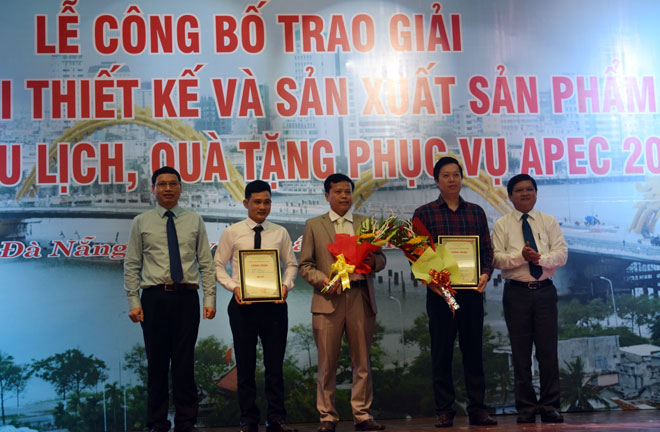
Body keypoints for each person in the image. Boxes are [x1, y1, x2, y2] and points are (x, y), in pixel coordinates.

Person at [124, 166, 216, 432]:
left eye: (172, 184)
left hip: (187, 298)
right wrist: (134, 302)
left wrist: (209, 299)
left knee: (185, 364)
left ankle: (186, 422)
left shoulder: (194, 219)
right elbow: (132, 265)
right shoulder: (141, 222)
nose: (167, 189)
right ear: (153, 189)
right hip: (153, 299)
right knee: (156, 364)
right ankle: (157, 423)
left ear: (180, 188)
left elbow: (206, 263)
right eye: (161, 184)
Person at [412, 156, 497, 428]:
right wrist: (432, 282)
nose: (452, 179)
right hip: (442, 295)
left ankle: (478, 409)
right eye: (446, 175)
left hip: (472, 293)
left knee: (473, 350)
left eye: (456, 174)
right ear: (437, 181)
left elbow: (486, 249)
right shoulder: (424, 214)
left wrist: (485, 274)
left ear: (462, 179)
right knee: (442, 351)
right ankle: (444, 410)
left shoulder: (476, 212)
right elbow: (418, 255)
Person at [299, 173, 386, 432]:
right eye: (338, 192)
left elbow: (381, 258)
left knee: (362, 361)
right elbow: (305, 265)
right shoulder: (314, 225)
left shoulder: (365, 223)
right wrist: (326, 282)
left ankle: (362, 415)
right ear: (327, 196)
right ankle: (327, 417)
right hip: (328, 300)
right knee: (327, 363)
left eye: (347, 192)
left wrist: (373, 262)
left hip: (360, 297)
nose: (344, 196)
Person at [215, 180, 298, 432]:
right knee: (245, 365)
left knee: (275, 366)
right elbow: (218, 265)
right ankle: (248, 420)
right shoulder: (232, 232)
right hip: (242, 306)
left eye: (267, 202)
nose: (262, 207)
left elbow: (291, 264)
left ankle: (276, 420)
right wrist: (233, 287)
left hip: (274, 306)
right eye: (257, 202)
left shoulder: (280, 233)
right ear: (246, 203)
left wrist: (286, 286)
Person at [492, 174, 567, 424]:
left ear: (536, 193)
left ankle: (550, 406)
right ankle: (525, 407)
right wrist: (521, 257)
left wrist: (539, 259)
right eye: (519, 190)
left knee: (548, 352)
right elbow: (496, 259)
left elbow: (561, 254)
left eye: (529, 189)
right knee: (521, 353)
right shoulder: (502, 225)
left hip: (545, 291)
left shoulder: (549, 221)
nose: (525, 194)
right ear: (510, 196)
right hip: (517, 293)